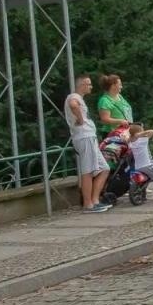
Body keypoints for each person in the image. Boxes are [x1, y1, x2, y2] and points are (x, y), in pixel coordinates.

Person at [66, 75, 113, 213]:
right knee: (87, 171)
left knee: (104, 168)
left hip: (89, 137)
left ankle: (95, 200)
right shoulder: (73, 96)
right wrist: (80, 119)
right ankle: (88, 204)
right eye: (89, 84)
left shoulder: (79, 98)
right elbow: (73, 105)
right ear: (82, 85)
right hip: (84, 136)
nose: (91, 87)